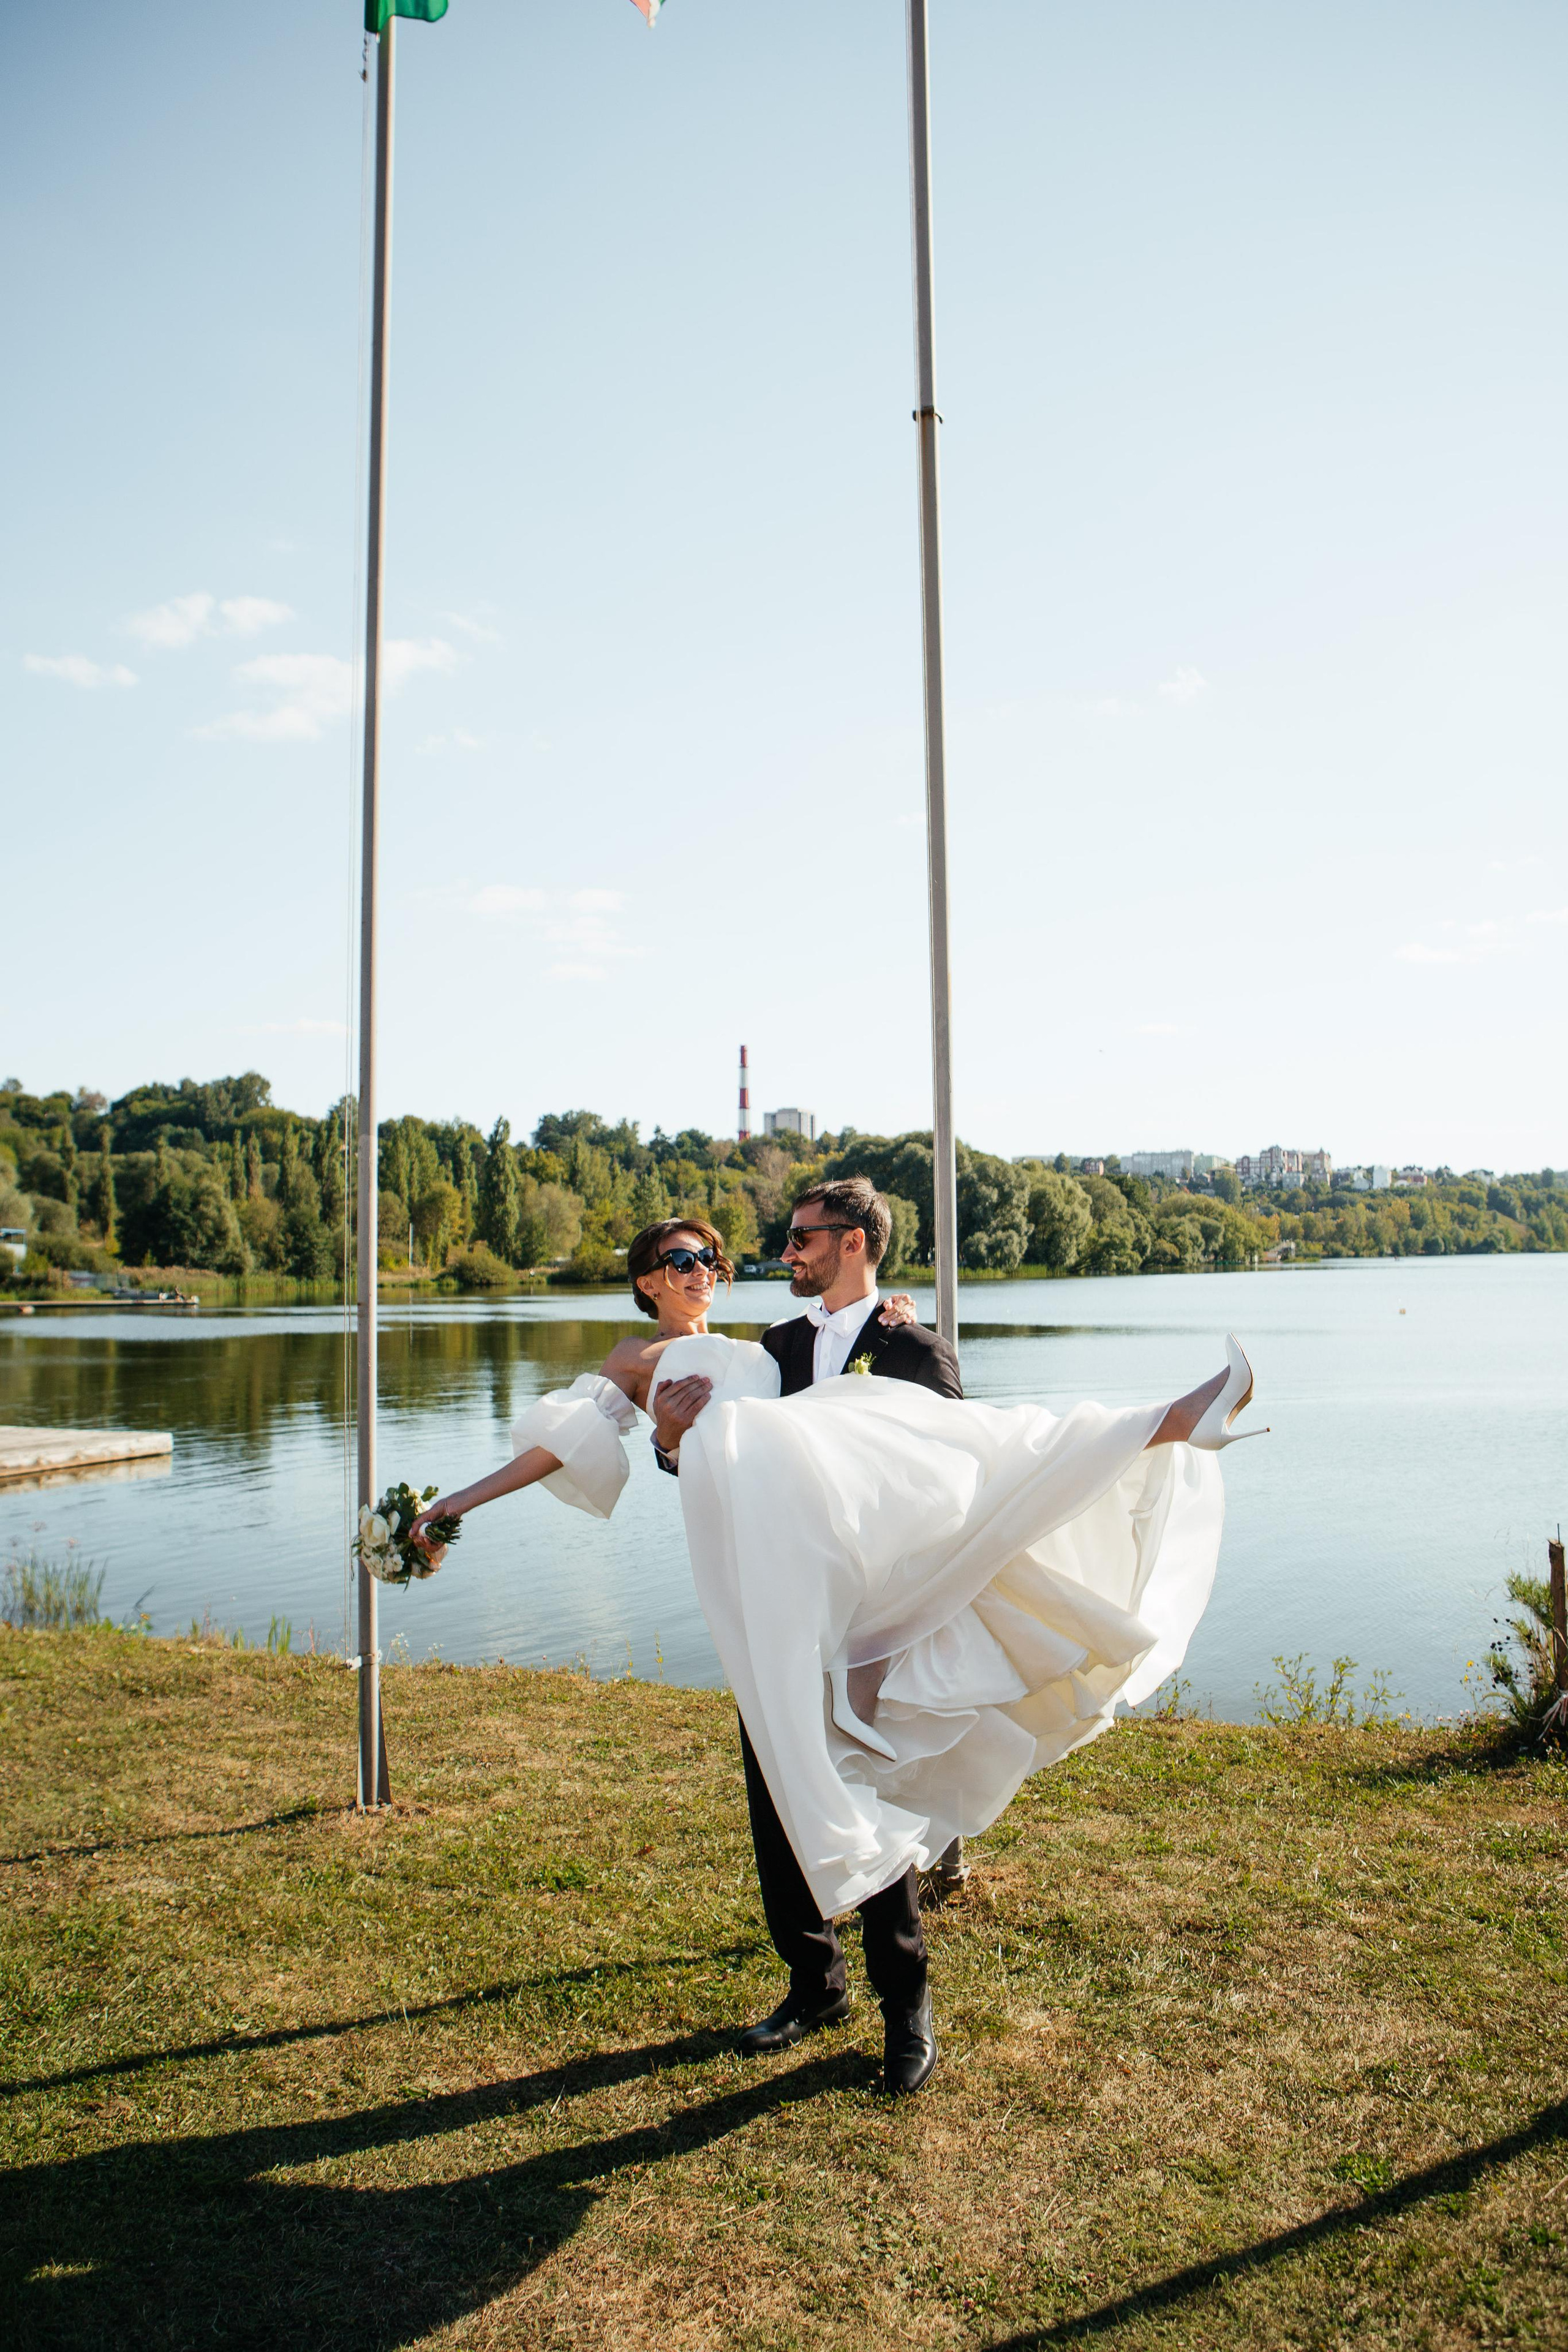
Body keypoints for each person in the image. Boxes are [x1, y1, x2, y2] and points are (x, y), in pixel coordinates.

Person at [412, 1189, 1259, 2097]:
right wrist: (637, 1444)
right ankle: (814, 1985)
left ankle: (907, 2007)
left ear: (851, 1244)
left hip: (870, 1606)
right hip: (764, 1587)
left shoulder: (906, 1343)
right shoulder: (771, 1349)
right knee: (776, 1788)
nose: (718, 1267)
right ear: (647, 1281)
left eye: (718, 1255)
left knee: (863, 1780)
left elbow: (947, 1463)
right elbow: (620, 1447)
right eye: (682, 1260)